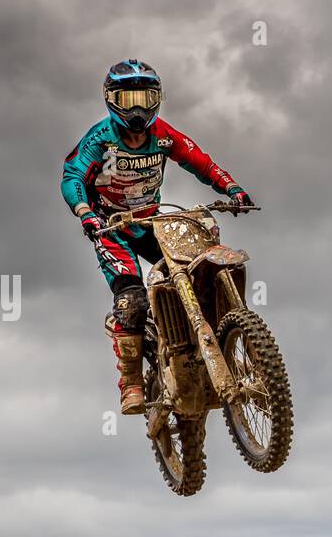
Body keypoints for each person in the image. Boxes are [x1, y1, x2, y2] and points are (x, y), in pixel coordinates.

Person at [61, 59, 253, 413]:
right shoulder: (100, 139)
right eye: (129, 98)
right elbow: (71, 177)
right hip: (111, 226)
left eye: (144, 98)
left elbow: (200, 161)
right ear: (112, 100)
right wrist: (85, 213)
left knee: (198, 266)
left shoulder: (163, 135)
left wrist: (232, 188)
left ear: (157, 99)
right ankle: (131, 381)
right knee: (132, 301)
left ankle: (213, 344)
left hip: (151, 222)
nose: (137, 108)